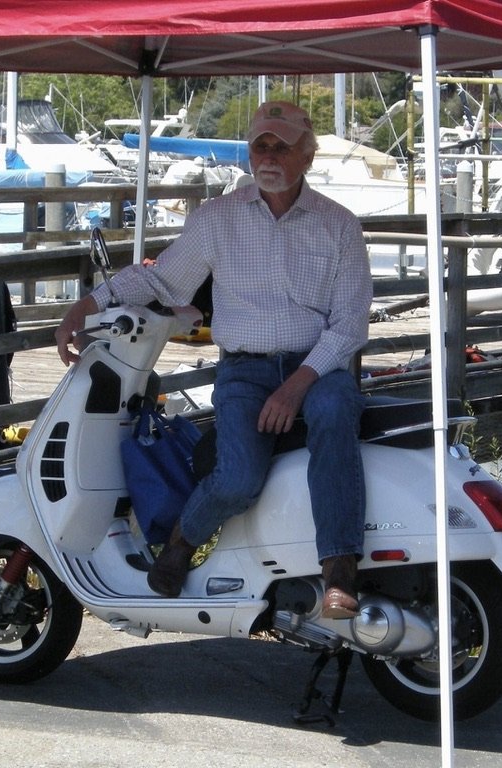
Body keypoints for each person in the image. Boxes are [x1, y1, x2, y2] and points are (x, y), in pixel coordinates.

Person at [55, 101, 372, 619]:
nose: (268, 156)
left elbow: (350, 325)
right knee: (238, 477)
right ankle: (182, 542)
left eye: (282, 146)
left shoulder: (338, 226)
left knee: (336, 415)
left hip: (318, 368)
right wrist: (88, 304)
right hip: (244, 370)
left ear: (307, 157)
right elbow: (162, 280)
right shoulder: (217, 219)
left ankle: (339, 572)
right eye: (260, 145)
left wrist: (296, 386)